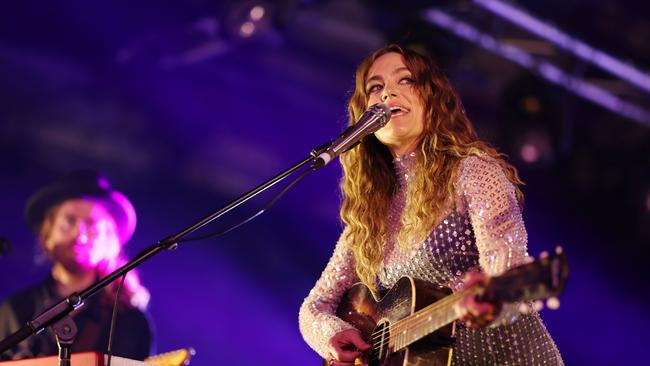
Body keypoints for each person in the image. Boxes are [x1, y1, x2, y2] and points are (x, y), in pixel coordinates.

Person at [298, 44, 563, 365]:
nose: (387, 94)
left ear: (432, 97)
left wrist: (489, 302)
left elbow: (508, 268)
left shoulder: (474, 172)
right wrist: (332, 335)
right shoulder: (372, 211)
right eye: (376, 87)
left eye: (405, 80)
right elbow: (315, 307)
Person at [0, 170, 153, 361]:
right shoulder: (14, 310)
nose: (80, 236)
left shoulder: (130, 321)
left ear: (109, 242)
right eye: (69, 222)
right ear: (47, 235)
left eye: (92, 225)